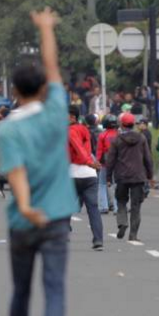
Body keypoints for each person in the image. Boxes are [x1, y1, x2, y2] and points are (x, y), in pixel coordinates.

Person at [0, 7, 78, 316]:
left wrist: (26, 206)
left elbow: (16, 173)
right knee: (55, 289)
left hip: (22, 222)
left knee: (21, 292)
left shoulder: (8, 128)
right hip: (58, 216)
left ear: (13, 91)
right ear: (45, 87)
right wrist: (46, 28)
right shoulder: (57, 110)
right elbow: (53, 64)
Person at [103, 112, 154, 241]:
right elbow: (148, 159)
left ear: (122, 124)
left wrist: (108, 177)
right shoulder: (141, 138)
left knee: (121, 201)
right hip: (138, 176)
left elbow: (110, 161)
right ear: (133, 125)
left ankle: (122, 223)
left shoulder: (117, 140)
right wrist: (150, 175)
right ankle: (133, 234)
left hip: (121, 176)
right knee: (136, 206)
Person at [67, 105, 104, 251]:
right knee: (93, 209)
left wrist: (89, 162)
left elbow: (79, 150)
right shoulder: (85, 129)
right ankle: (98, 240)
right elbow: (88, 150)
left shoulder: (70, 131)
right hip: (90, 175)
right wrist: (90, 163)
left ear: (72, 117)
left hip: (74, 173)